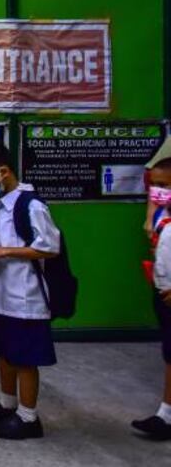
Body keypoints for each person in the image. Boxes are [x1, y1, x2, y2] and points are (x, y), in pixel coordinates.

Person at [0, 140, 60, 440]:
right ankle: (7, 404)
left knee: (24, 358)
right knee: (4, 352)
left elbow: (49, 247)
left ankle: (28, 418)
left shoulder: (31, 205)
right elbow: (2, 237)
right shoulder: (0, 203)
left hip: (23, 296)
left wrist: (1, 252)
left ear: (3, 171)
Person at [131, 157, 171, 440]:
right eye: (154, 186)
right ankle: (165, 413)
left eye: (164, 186)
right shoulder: (161, 214)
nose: (157, 192)